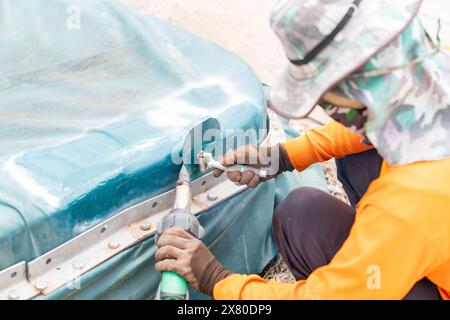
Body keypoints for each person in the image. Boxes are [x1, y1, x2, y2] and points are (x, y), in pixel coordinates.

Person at [155, 0, 450, 299]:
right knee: (311, 204)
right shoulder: (428, 66)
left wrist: (215, 279)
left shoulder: (410, 199)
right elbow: (370, 129)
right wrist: (284, 156)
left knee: (305, 221)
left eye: (324, 96)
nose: (326, 107)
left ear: (356, 91)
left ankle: (392, 260)